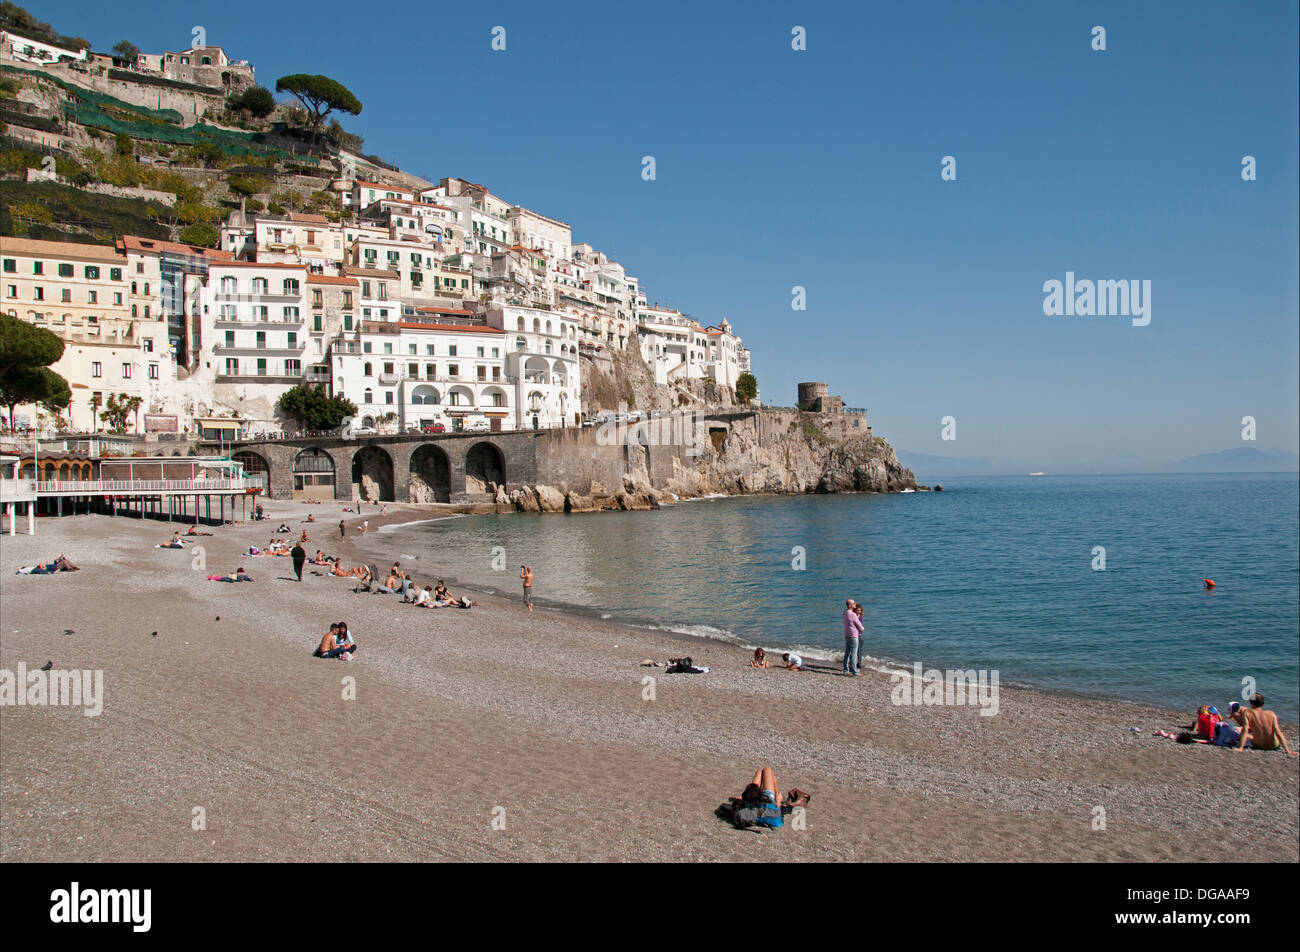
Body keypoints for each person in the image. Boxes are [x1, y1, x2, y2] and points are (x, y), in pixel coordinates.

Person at [1233, 694, 1298, 755]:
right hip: (1273, 745)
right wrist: (1288, 751)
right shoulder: (1271, 714)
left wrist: (1240, 748)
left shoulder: (1247, 713)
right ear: (1263, 703)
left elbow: (1245, 729)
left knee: (1244, 733)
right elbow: (1278, 733)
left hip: (1259, 745)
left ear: (1251, 703)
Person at [842, 598, 863, 676]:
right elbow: (859, 625)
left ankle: (845, 670)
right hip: (854, 635)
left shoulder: (844, 613)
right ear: (850, 605)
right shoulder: (852, 614)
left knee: (847, 653)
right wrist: (862, 628)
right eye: (853, 603)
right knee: (854, 654)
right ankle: (854, 671)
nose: (855, 604)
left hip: (847, 635)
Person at [853, 601, 866, 669]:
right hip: (855, 635)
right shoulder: (854, 617)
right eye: (857, 610)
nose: (859, 611)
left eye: (860, 610)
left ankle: (859, 664)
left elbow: (860, 626)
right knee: (855, 650)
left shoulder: (860, 617)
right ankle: (854, 663)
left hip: (859, 635)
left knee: (859, 651)